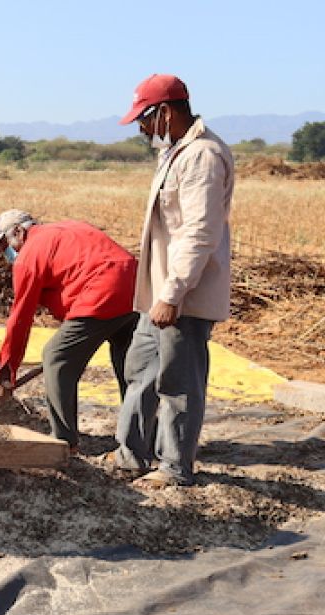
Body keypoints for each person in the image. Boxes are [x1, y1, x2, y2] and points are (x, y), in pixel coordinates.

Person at [108, 74, 234, 487]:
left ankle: (175, 469)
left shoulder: (203, 156)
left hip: (182, 296)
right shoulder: (174, 153)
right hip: (158, 291)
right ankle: (131, 455)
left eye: (144, 120)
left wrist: (173, 293)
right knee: (140, 370)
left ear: (164, 112)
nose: (142, 129)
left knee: (178, 383)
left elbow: (198, 232)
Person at [0, 210, 138, 454]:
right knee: (131, 369)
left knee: (56, 357)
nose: (7, 254)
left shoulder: (29, 255)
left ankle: (64, 441)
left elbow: (20, 318)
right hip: (137, 288)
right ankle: (142, 441)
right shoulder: (68, 228)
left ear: (18, 231)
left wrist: (6, 370)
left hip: (102, 292)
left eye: (5, 246)